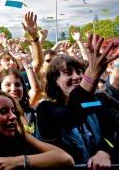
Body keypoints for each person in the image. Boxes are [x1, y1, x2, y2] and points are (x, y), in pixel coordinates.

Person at [36, 34, 119, 168]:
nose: (77, 77)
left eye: (80, 71)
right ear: (54, 81)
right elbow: (72, 115)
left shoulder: (94, 102)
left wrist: (104, 152)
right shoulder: (45, 109)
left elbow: (112, 129)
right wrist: (92, 72)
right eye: (68, 73)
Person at [0, 89, 74, 168]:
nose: (13, 116)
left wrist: (18, 161)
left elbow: (65, 158)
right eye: (3, 111)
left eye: (13, 111)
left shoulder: (21, 136)